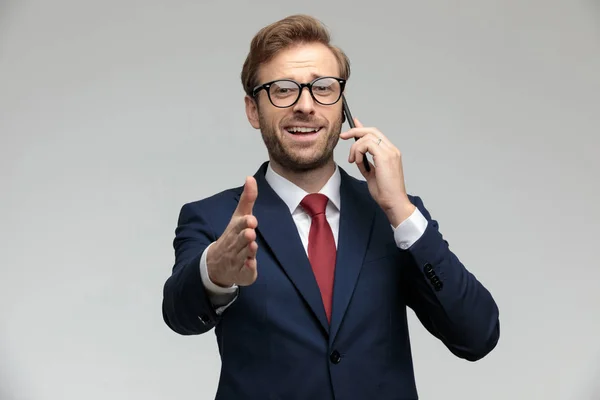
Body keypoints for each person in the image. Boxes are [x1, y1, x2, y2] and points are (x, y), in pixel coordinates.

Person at [162, 14, 500, 400]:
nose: (306, 106)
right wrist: (214, 274)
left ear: (343, 107)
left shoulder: (395, 218)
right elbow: (179, 315)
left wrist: (401, 212)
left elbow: (477, 335)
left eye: (323, 88)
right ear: (253, 110)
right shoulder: (214, 220)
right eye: (283, 90)